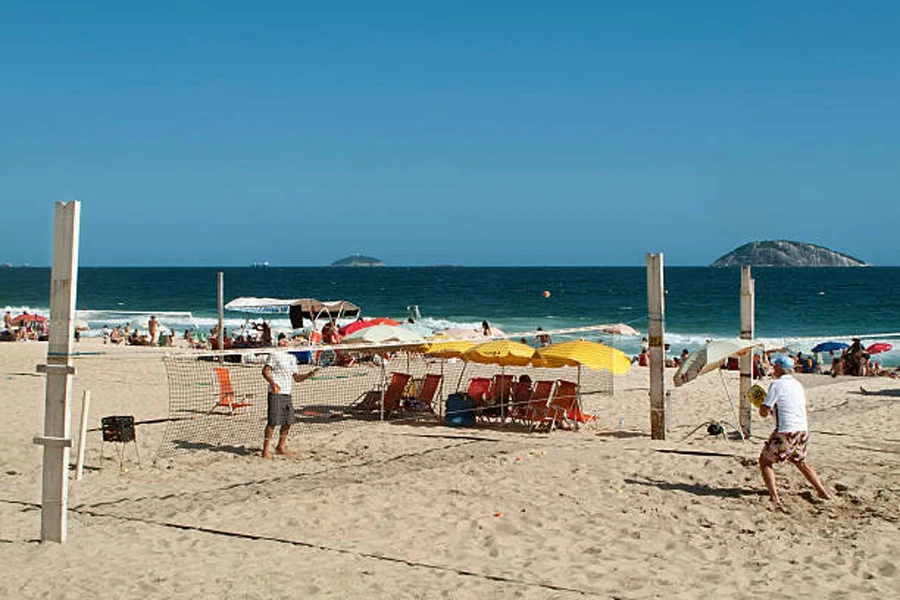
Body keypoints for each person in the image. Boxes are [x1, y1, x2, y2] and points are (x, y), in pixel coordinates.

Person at [758, 355, 830, 510]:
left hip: (786, 430)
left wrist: (761, 406)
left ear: (778, 368)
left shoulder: (776, 384)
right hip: (802, 429)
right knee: (800, 461)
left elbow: (764, 411)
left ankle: (774, 496)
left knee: (765, 461)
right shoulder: (797, 385)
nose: (772, 369)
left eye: (774, 367)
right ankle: (821, 490)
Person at [261, 352, 319, 459]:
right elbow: (265, 371)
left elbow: (296, 378)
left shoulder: (292, 358)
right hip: (276, 393)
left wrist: (308, 375)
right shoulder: (274, 355)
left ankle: (281, 446)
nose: (286, 341)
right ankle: (265, 450)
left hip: (287, 393)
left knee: (288, 421)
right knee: (272, 422)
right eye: (283, 340)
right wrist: (273, 384)